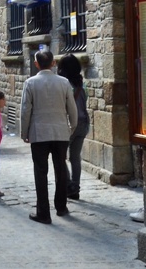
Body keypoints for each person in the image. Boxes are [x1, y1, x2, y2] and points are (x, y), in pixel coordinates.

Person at [20, 50, 78, 224]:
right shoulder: (64, 82)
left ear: (36, 64)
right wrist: (71, 128)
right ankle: (61, 206)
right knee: (60, 170)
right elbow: (72, 109)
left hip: (39, 132)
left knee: (40, 172)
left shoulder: (30, 83)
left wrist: (25, 132)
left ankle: (43, 212)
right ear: (53, 63)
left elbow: (25, 110)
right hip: (60, 132)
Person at [58, 54, 90, 200]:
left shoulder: (65, 85)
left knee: (60, 157)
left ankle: (69, 185)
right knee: (75, 157)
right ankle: (75, 188)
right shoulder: (83, 85)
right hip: (84, 123)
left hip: (71, 124)